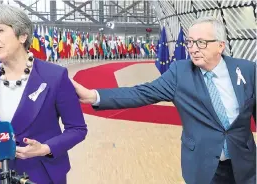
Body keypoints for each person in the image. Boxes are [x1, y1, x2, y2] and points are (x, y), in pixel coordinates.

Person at [72, 16, 256, 184]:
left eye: (201, 43)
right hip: (204, 167)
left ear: (220, 46)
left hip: (245, 166)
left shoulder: (248, 70)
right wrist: (93, 96)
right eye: (190, 42)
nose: (193, 49)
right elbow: (142, 93)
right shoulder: (180, 73)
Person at [0, 4, 87, 184]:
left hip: (40, 172)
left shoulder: (55, 76)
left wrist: (46, 148)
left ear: (22, 35)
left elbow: (77, 129)